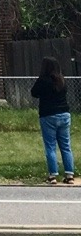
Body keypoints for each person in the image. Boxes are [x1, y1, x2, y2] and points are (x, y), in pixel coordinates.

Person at [30, 56, 75, 184]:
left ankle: (53, 176)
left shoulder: (43, 80)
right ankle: (69, 175)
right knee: (66, 146)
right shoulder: (62, 80)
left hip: (48, 115)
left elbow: (34, 93)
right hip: (64, 114)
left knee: (50, 146)